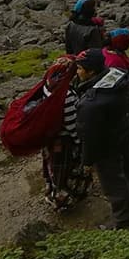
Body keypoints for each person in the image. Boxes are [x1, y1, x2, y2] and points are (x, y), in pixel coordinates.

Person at [75, 48, 129, 229]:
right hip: (122, 130)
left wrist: (87, 161)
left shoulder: (89, 104)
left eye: (80, 68)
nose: (77, 72)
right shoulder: (118, 75)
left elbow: (89, 136)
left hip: (105, 146)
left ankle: (121, 221)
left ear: (91, 71)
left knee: (113, 181)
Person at [42, 56, 91, 212]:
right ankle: (63, 201)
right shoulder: (67, 94)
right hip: (64, 141)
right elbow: (71, 123)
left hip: (49, 138)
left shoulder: (47, 86)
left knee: (52, 169)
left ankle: (52, 192)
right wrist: (79, 141)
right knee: (66, 171)